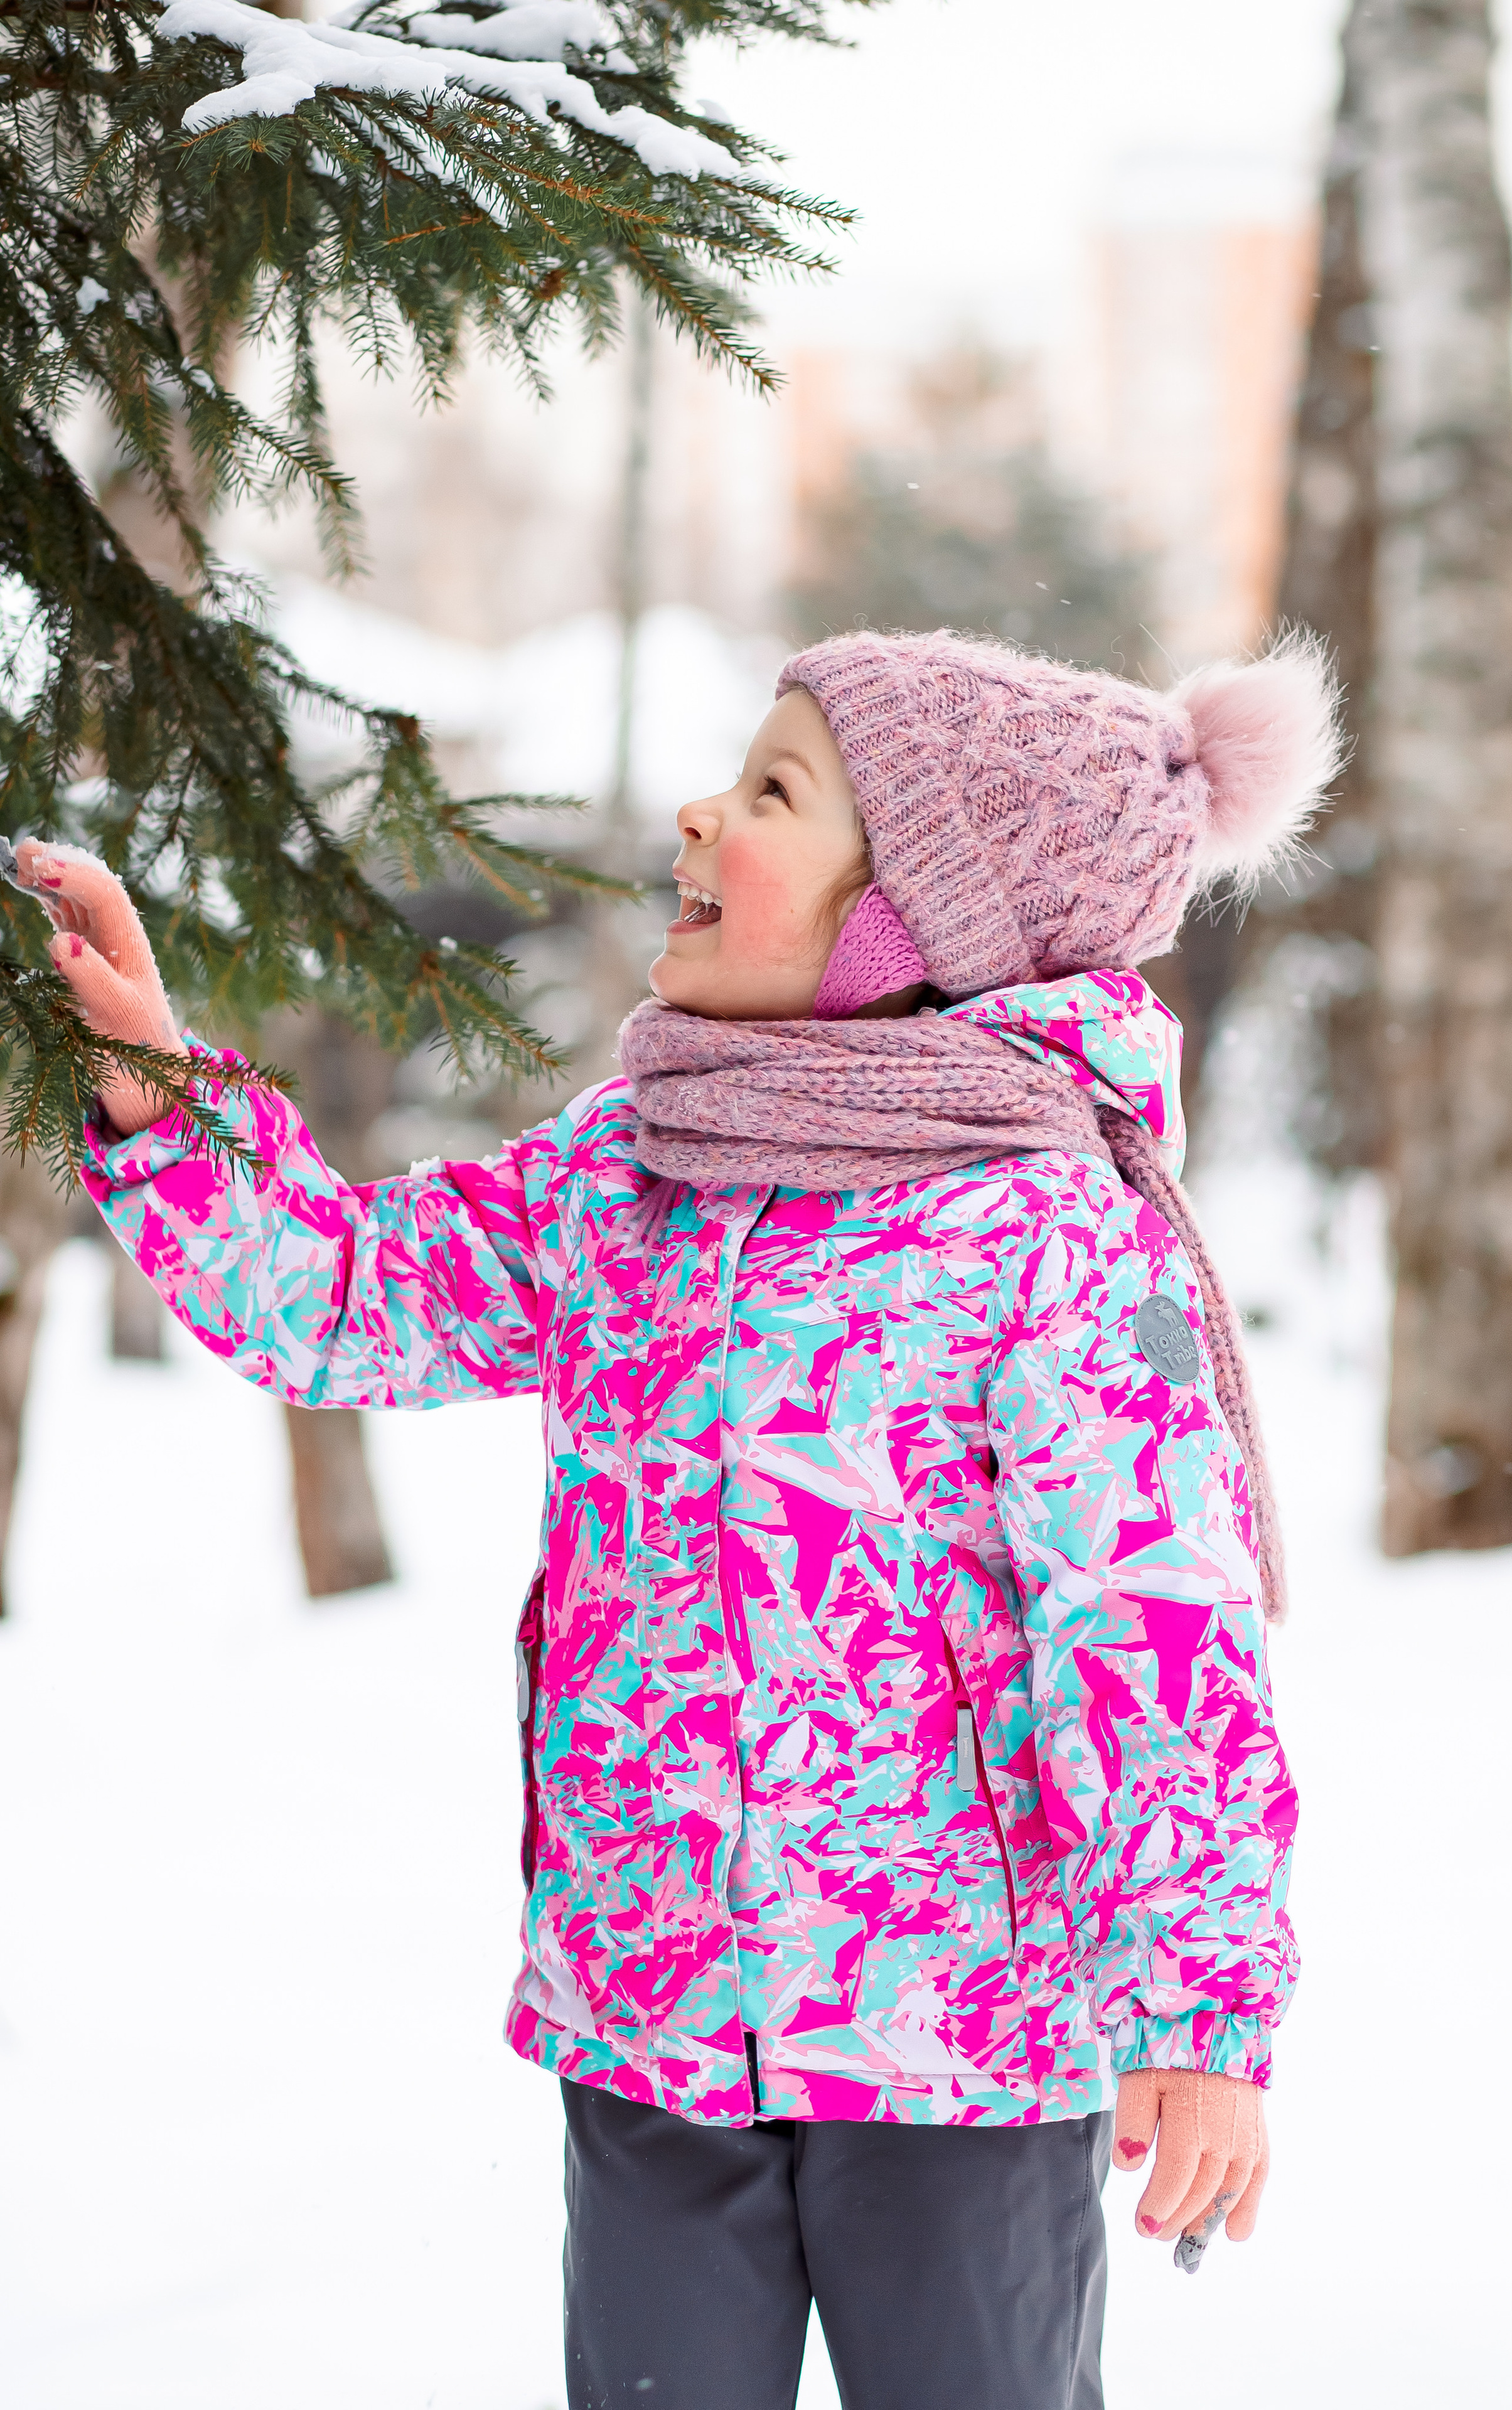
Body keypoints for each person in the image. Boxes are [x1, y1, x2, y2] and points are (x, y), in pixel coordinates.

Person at [27, 627, 1334, 2410]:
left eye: (776, 791)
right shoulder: (631, 1161)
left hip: (960, 2047)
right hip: (651, 2009)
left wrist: (1196, 2014)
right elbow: (343, 1297)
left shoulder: (1048, 1229)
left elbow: (1156, 1635)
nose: (704, 817)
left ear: (920, 915)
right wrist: (158, 1083)